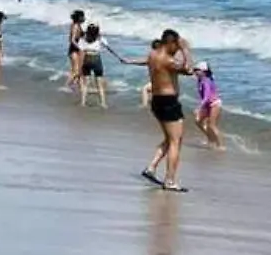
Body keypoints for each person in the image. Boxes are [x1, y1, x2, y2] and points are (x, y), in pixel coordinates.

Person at [123, 29, 193, 191]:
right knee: (176, 141)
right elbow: (188, 69)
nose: (177, 48)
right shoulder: (168, 60)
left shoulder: (153, 55)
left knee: (169, 139)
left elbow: (146, 62)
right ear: (170, 43)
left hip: (157, 101)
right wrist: (186, 50)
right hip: (169, 102)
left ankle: (152, 168)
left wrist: (130, 61)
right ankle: (170, 181)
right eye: (176, 45)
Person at [76, 23, 122, 108]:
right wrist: (119, 57)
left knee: (86, 83)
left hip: (86, 59)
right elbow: (109, 49)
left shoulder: (82, 40)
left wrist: (79, 68)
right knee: (99, 84)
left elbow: (81, 54)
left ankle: (83, 103)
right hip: (96, 59)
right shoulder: (100, 39)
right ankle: (103, 103)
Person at [193, 61, 224, 150]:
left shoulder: (206, 81)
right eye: (195, 70)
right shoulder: (200, 80)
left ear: (203, 71)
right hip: (207, 105)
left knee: (212, 125)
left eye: (197, 70)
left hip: (214, 104)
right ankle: (210, 139)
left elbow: (206, 97)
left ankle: (220, 145)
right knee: (198, 121)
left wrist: (199, 108)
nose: (195, 72)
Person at [66, 9, 85, 91]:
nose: (84, 18)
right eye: (83, 16)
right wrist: (79, 48)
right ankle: (67, 85)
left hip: (77, 49)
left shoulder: (78, 25)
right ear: (79, 17)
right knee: (76, 71)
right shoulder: (75, 26)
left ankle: (77, 87)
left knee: (79, 70)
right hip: (74, 50)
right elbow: (72, 40)